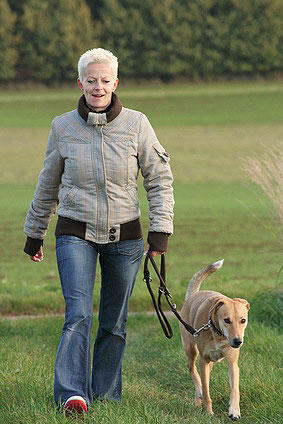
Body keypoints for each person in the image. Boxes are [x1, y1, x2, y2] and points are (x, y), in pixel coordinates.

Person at [24, 48, 174, 416]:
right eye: (91, 80)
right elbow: (47, 183)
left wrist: (160, 232)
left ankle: (106, 395)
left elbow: (159, 179)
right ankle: (73, 395)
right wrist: (35, 232)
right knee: (78, 314)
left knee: (114, 322)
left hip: (126, 237)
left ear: (115, 83)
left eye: (105, 80)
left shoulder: (138, 124)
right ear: (80, 83)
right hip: (74, 231)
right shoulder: (62, 126)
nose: (98, 86)